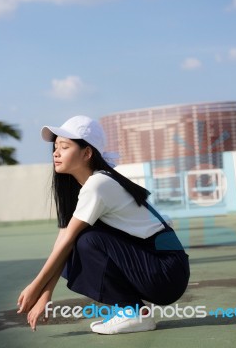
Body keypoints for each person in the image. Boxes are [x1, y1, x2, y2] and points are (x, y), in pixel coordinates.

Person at [17, 115, 190, 334]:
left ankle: (133, 313)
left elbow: (69, 241)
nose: (56, 152)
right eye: (55, 146)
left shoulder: (98, 184)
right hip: (159, 266)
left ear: (87, 153)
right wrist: (45, 293)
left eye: (64, 146)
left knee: (86, 240)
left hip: (167, 271)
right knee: (80, 240)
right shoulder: (84, 187)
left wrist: (35, 286)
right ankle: (134, 312)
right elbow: (63, 241)